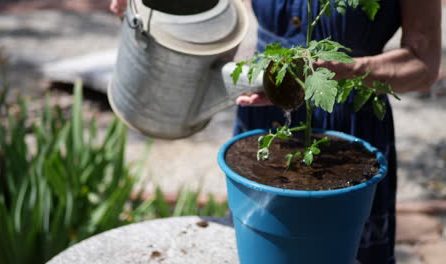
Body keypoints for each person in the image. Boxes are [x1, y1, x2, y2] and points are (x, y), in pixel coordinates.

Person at [109, 1, 441, 263]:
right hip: (264, 107)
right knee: (263, 242)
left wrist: (343, 71)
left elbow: (423, 64)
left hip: (349, 122)